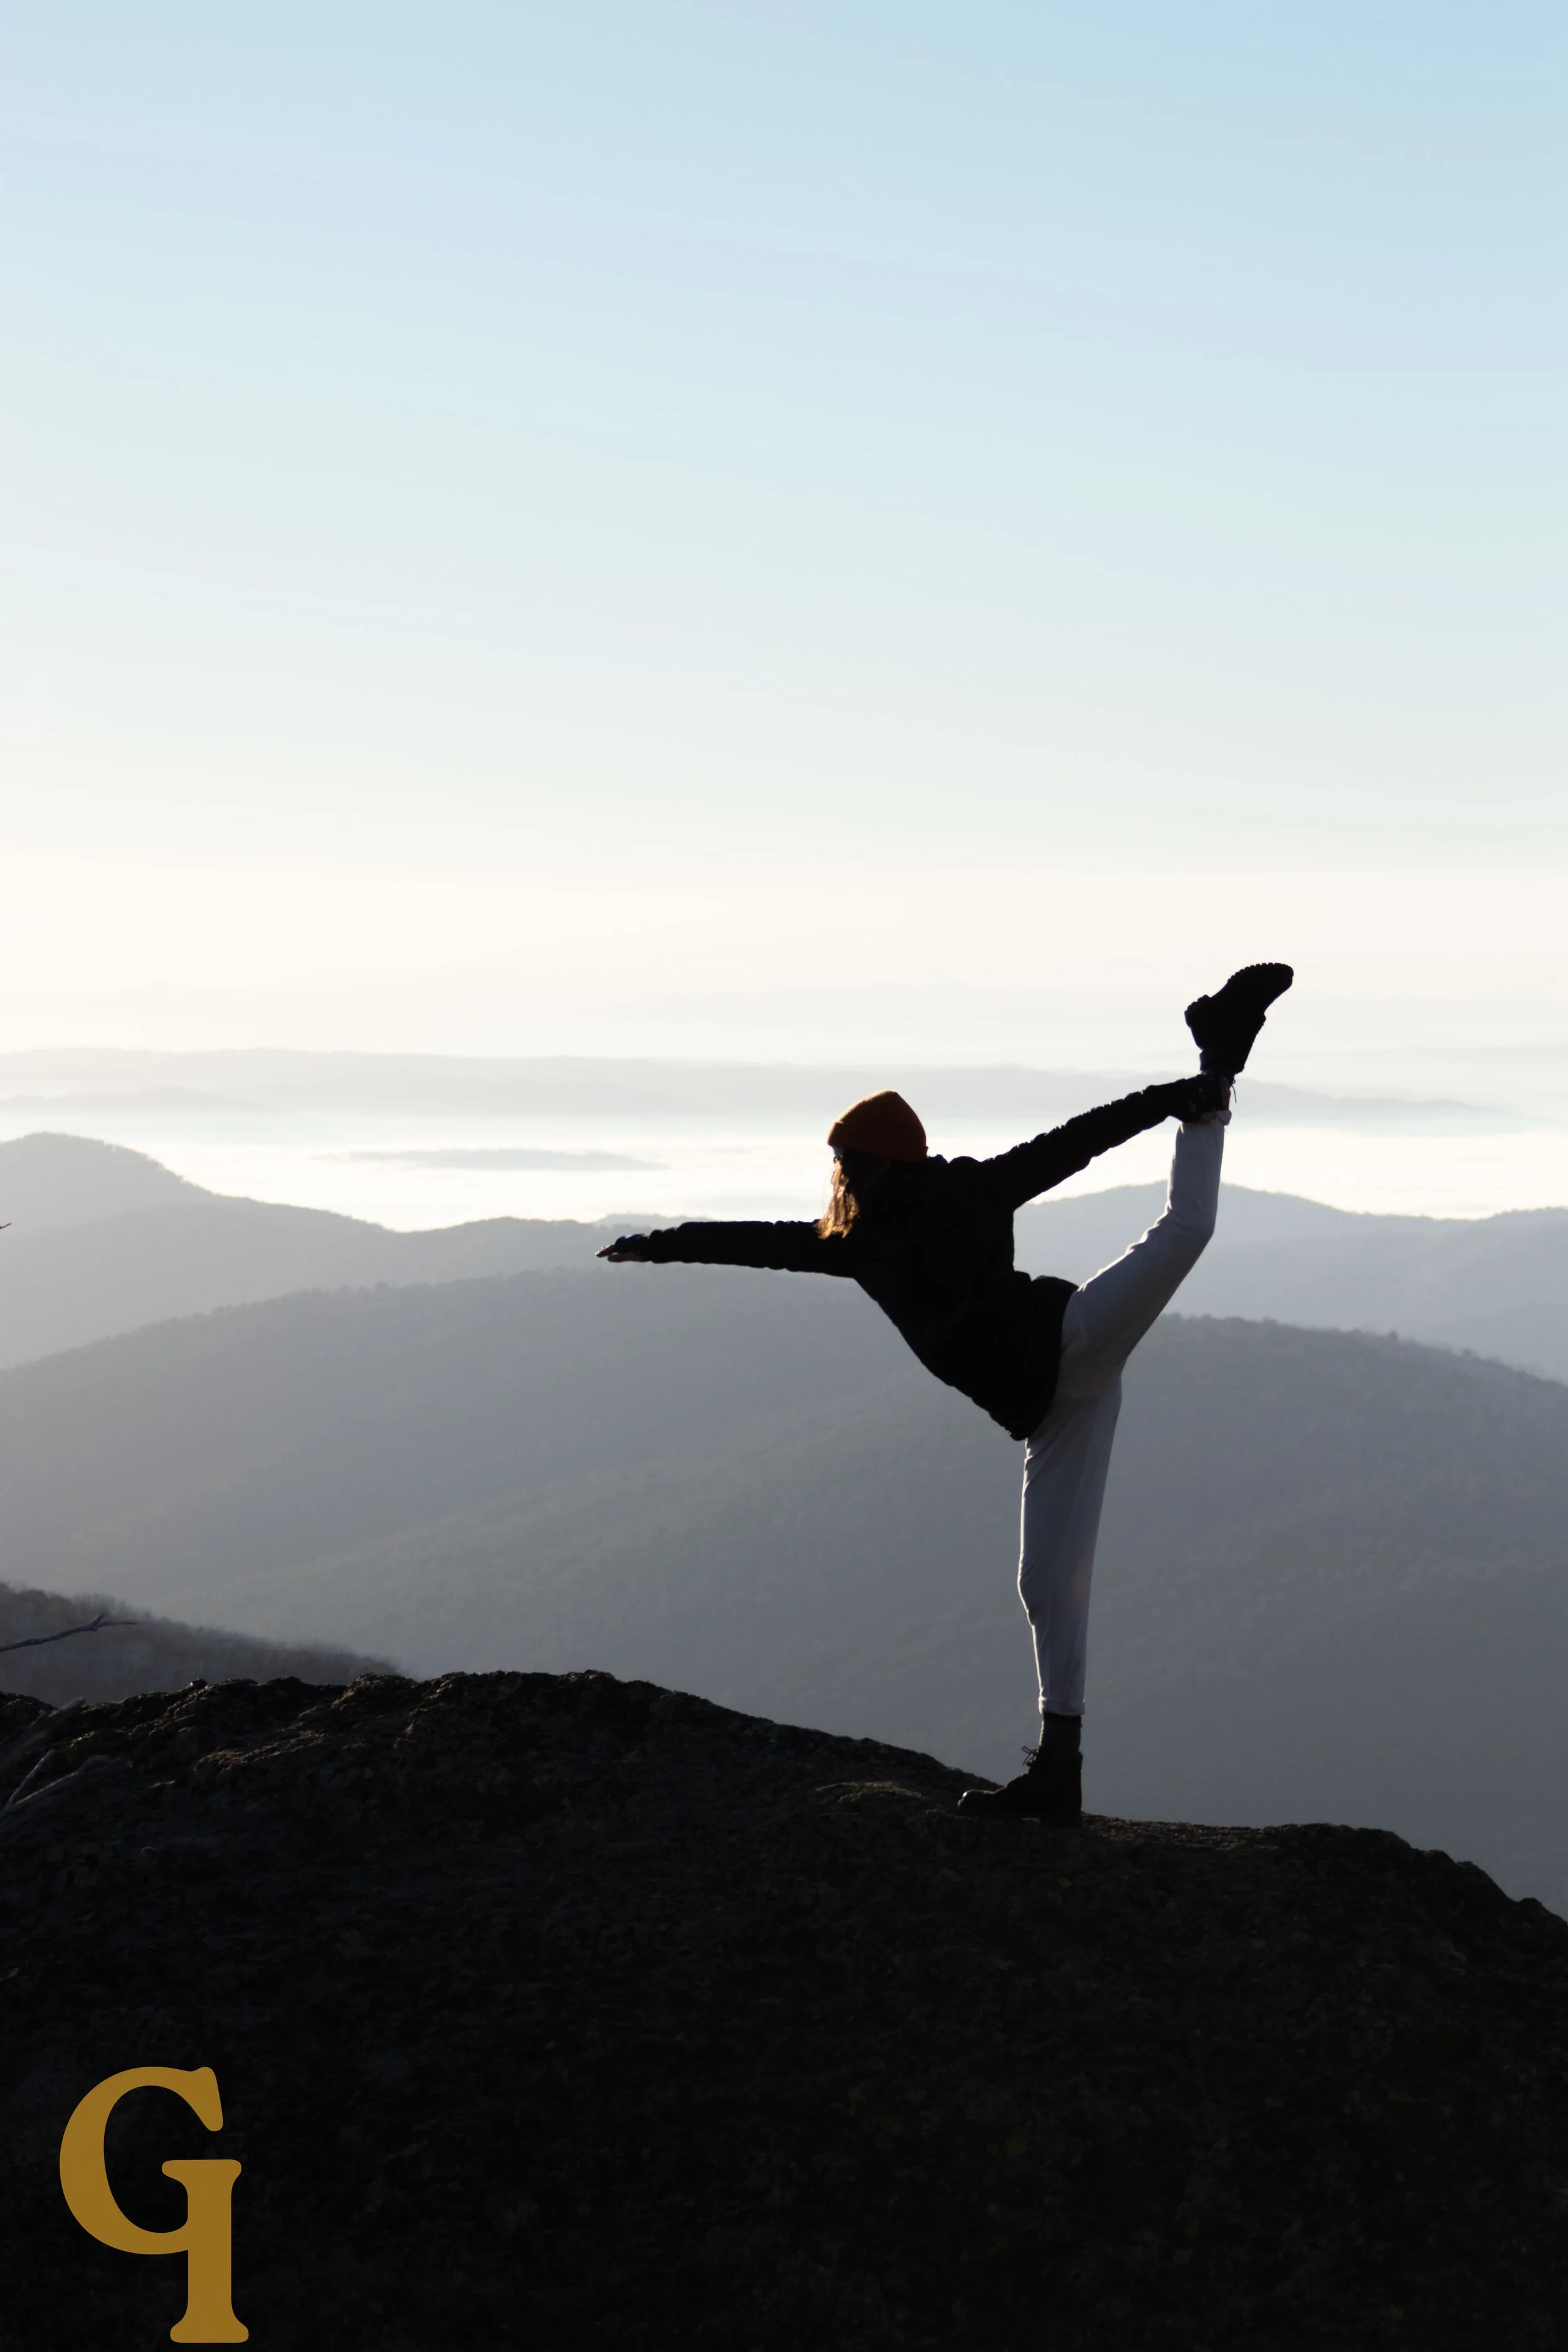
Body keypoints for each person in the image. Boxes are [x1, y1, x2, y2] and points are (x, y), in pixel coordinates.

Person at [598, 963, 1293, 1826]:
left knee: (1187, 1228)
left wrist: (1178, 1097)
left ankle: (1218, 1063)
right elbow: (756, 1241)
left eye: (846, 1161)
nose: (837, 1176)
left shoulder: (965, 1193)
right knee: (1044, 1583)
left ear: (877, 1164)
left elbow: (1076, 1139)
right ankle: (1060, 1772)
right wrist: (656, 1244)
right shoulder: (852, 1241)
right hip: (1050, 1410)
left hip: (1070, 1340)